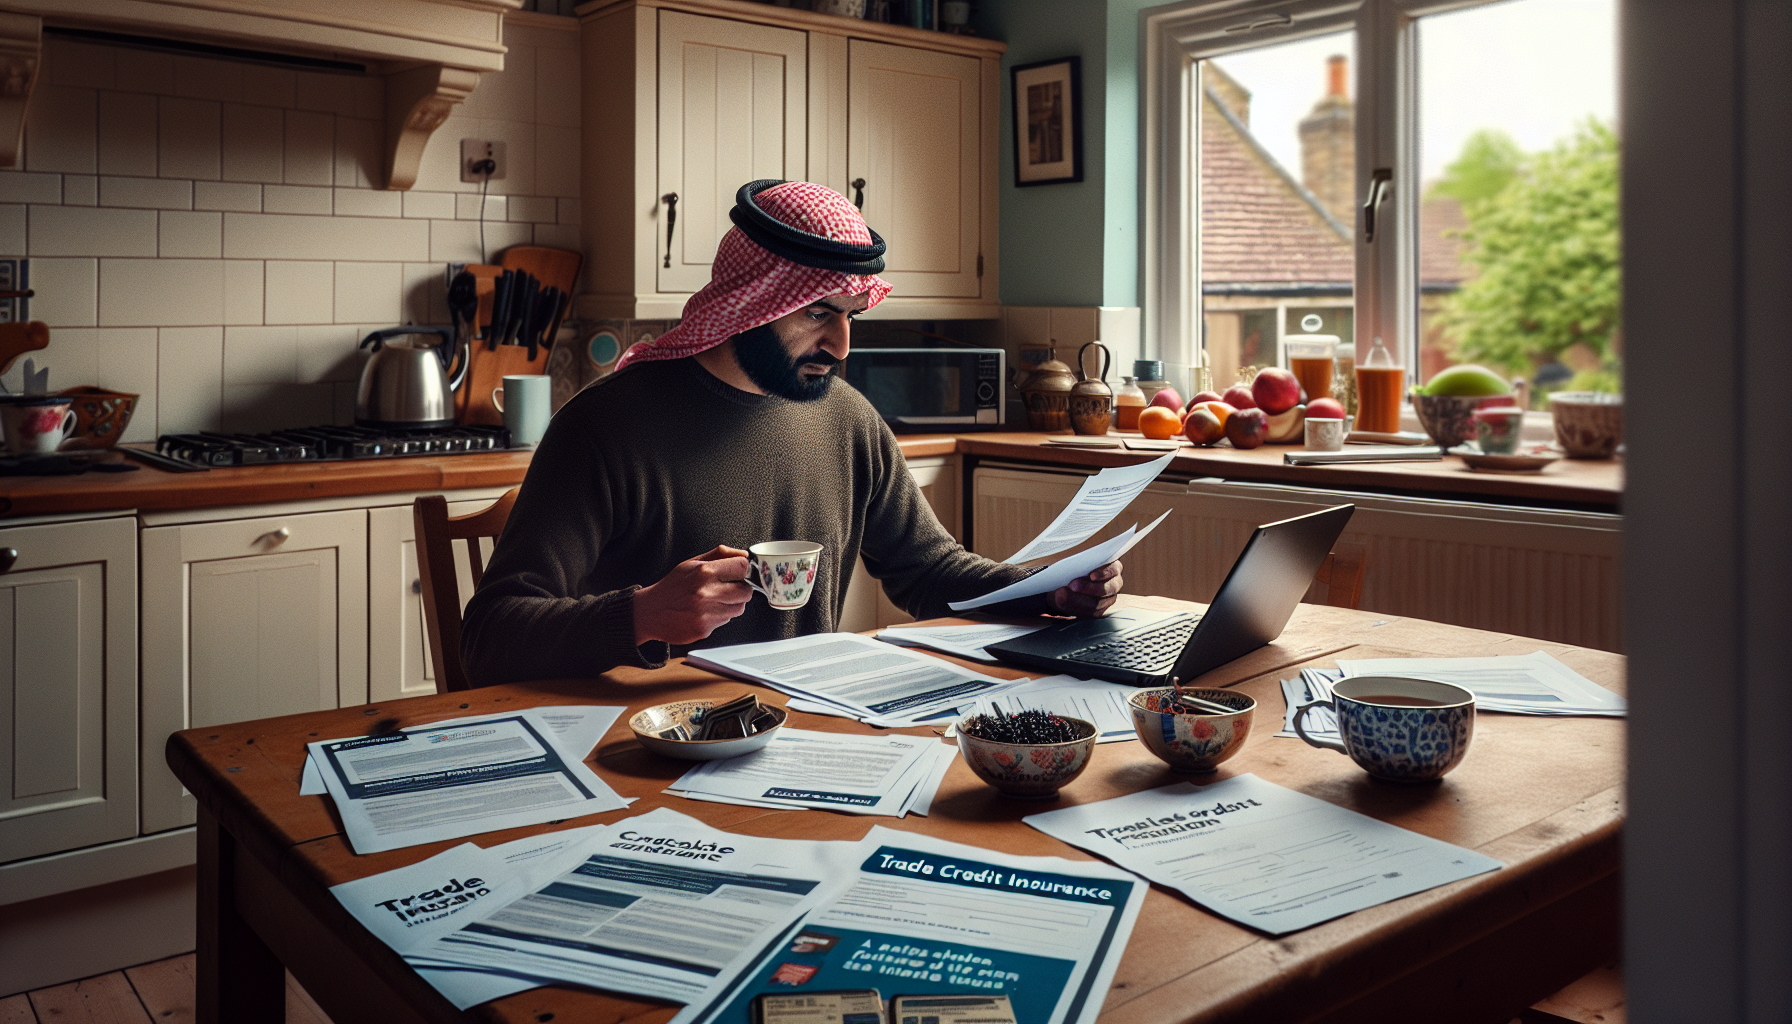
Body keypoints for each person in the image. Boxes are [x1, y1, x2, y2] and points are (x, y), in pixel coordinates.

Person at [460, 180, 1123, 684]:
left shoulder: (848, 420)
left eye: (851, 314)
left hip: (799, 736)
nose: (840, 344)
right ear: (748, 302)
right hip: (635, 752)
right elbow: (489, 637)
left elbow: (930, 572)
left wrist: (1042, 588)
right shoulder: (604, 427)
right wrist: (640, 616)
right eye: (815, 313)